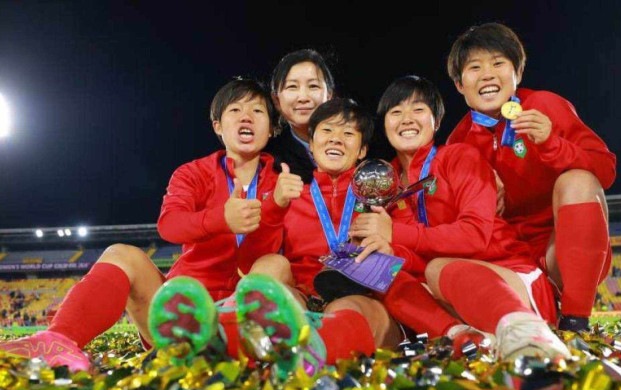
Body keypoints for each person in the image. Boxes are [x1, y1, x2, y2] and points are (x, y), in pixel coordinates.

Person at [0, 78, 279, 372]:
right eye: (235, 109)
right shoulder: (192, 173)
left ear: (272, 128)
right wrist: (221, 219)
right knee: (122, 253)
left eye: (258, 111)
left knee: (273, 265)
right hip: (177, 309)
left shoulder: (287, 179)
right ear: (217, 126)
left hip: (244, 311)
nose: (246, 116)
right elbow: (169, 226)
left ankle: (230, 333)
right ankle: (58, 338)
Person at [350, 75, 570, 360]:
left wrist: (395, 234)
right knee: (379, 269)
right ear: (385, 124)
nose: (406, 118)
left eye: (418, 109)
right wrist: (389, 250)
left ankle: (528, 334)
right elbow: (417, 257)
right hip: (449, 296)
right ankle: (463, 337)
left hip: (508, 279)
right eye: (396, 112)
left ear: (437, 122)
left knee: (440, 268)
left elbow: (475, 236)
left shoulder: (460, 157)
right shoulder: (385, 185)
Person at [445, 23, 616, 333]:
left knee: (577, 180)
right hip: (507, 263)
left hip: (562, 258)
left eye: (498, 63)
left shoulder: (546, 106)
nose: (487, 74)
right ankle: (521, 312)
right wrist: (479, 195)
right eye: (474, 67)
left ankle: (575, 320)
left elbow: (605, 171)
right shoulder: (457, 142)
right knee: (443, 265)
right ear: (459, 84)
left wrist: (554, 145)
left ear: (517, 73)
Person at [236, 98, 408, 370]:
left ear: (362, 149)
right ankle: (235, 331)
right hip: (301, 298)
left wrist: (391, 248)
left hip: (359, 299)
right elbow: (248, 261)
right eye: (327, 131)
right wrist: (274, 207)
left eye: (348, 133)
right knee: (270, 271)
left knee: (346, 312)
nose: (336, 139)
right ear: (312, 146)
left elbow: (412, 257)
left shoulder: (383, 195)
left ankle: (303, 357)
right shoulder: (290, 192)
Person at [265, 49, 335, 184]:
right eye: (292, 86)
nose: (303, 97)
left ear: (329, 95)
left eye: (313, 86)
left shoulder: (356, 145)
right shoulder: (269, 157)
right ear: (276, 100)